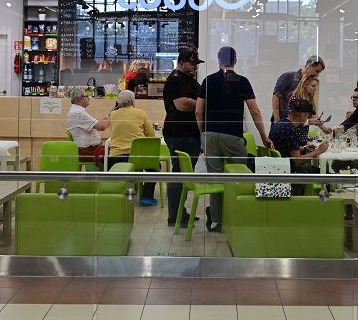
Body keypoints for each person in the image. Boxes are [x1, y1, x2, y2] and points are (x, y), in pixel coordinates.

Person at [197, 46, 273, 232]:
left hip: (210, 136)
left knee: (216, 180)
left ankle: (218, 220)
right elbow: (255, 111)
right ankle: (237, 218)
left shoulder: (208, 81)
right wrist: (264, 136)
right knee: (239, 177)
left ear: (219, 60)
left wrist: (203, 133)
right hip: (232, 136)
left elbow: (198, 111)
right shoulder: (242, 82)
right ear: (235, 61)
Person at [162, 47, 204, 227]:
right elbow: (182, 104)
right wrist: (202, 103)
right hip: (179, 133)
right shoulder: (175, 80)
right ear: (180, 63)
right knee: (179, 174)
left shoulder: (188, 79)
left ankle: (180, 211)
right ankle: (174, 217)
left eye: (196, 64)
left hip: (188, 133)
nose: (195, 67)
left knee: (184, 174)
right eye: (192, 63)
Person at [269, 98, 330, 195]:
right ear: (302, 115)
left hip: (277, 168)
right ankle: (323, 202)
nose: (307, 119)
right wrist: (318, 151)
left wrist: (305, 148)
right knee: (328, 176)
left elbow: (284, 148)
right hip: (290, 171)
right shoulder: (290, 129)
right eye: (308, 116)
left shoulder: (279, 124)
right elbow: (297, 160)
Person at [107, 90, 156, 206]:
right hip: (137, 157)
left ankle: (119, 196)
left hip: (115, 157)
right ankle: (146, 197)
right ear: (133, 101)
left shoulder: (113, 114)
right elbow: (151, 135)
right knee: (155, 167)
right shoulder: (140, 113)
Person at [271, 55, 326, 125]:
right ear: (309, 66)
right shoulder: (288, 76)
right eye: (316, 71)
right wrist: (277, 120)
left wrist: (323, 128)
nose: (317, 75)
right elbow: (276, 97)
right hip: (284, 123)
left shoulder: (310, 83)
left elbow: (310, 109)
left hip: (300, 126)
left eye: (319, 72)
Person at [67, 88, 111, 163]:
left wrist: (109, 115)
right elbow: (101, 127)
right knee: (114, 154)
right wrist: (113, 115)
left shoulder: (77, 111)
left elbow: (97, 124)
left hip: (89, 149)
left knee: (111, 150)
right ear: (81, 99)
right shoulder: (79, 113)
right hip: (86, 151)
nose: (89, 98)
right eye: (87, 96)